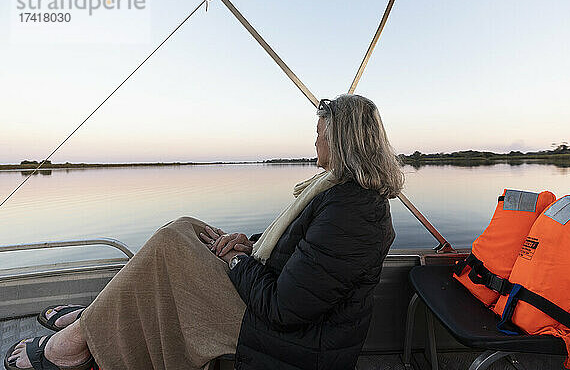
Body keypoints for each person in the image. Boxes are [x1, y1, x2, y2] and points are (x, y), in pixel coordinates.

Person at [5, 94, 404, 370]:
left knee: (170, 246)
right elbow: (297, 253)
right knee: (186, 229)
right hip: (280, 309)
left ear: (342, 140)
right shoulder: (338, 193)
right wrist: (248, 244)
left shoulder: (353, 210)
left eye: (321, 132)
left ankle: (74, 346)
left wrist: (236, 261)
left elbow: (285, 309)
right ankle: (96, 318)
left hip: (296, 341)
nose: (314, 140)